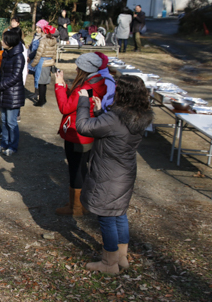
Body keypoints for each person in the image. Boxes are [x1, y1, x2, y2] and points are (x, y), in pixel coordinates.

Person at [76, 75, 153, 274]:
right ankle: (121, 257)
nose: (114, 91)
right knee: (119, 213)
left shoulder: (115, 117)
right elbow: (116, 132)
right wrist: (101, 111)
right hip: (125, 172)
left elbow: (84, 127)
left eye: (117, 89)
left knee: (107, 216)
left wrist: (84, 102)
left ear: (124, 93)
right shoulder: (139, 115)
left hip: (109, 174)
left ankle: (109, 263)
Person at [53, 53, 107, 216]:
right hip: (88, 132)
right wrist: (66, 87)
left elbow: (65, 107)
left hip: (77, 133)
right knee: (82, 168)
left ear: (85, 69)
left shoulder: (85, 87)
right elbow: (76, 103)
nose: (76, 68)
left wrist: (59, 87)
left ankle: (75, 207)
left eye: (78, 66)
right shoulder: (97, 83)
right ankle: (81, 203)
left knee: (76, 169)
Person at [0, 28, 25, 156]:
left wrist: (0, 85)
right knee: (4, 121)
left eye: (4, 39)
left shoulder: (18, 57)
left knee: (11, 122)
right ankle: (4, 144)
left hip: (13, 94)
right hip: (4, 92)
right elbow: (1, 72)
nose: (2, 41)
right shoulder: (5, 54)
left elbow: (16, 77)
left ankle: (13, 146)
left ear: (10, 41)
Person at [30, 25, 57, 107]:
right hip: (49, 62)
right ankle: (43, 98)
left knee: (40, 83)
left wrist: (33, 64)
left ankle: (41, 101)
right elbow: (55, 53)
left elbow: (39, 53)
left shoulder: (43, 40)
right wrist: (53, 61)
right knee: (44, 83)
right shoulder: (54, 40)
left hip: (42, 62)